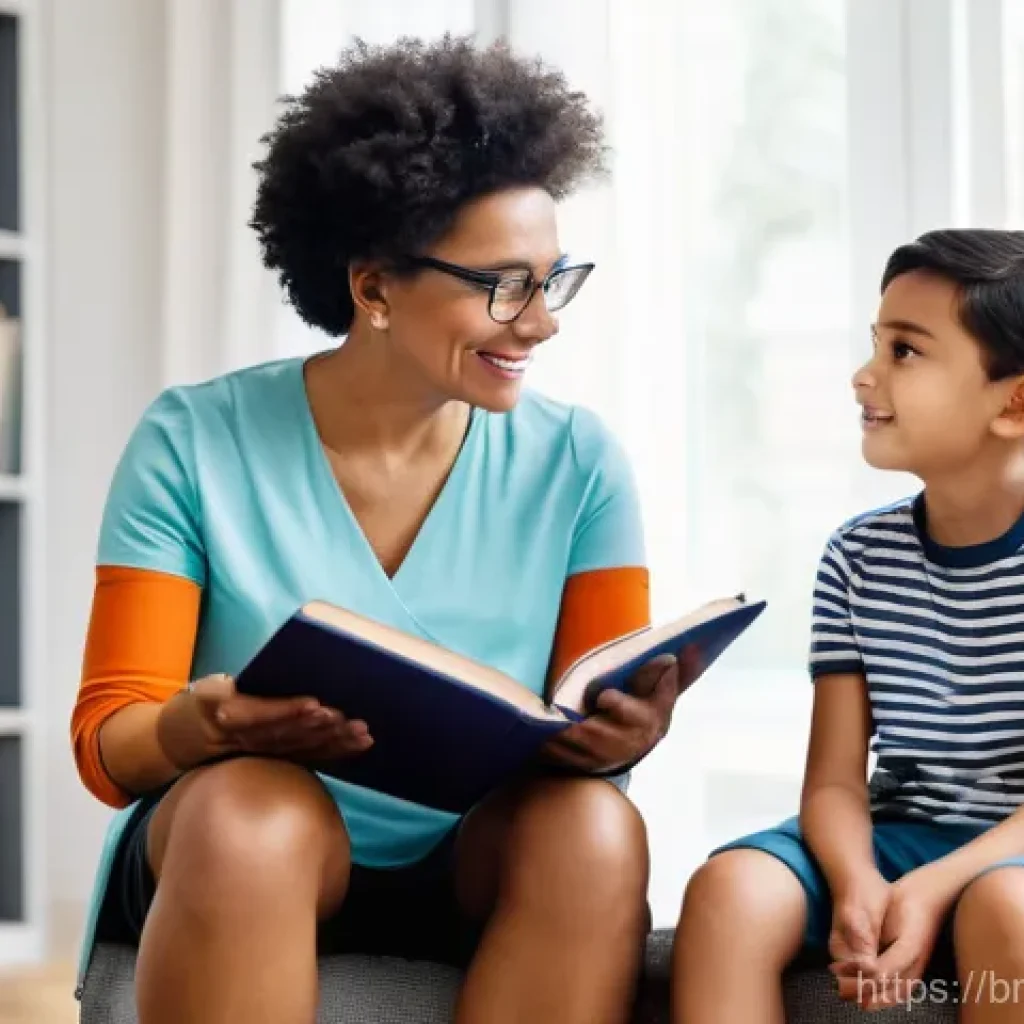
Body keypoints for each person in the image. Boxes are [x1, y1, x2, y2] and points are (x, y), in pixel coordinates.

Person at [70, 34, 693, 1024]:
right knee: (252, 808)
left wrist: (622, 732)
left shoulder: (581, 462)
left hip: (472, 857)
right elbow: (109, 743)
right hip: (241, 842)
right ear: (372, 288)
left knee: (592, 825)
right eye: (504, 285)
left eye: (554, 278)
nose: (540, 324)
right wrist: (208, 726)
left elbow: (587, 724)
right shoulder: (191, 442)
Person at [672, 229, 1024, 1024]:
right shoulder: (859, 556)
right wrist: (859, 878)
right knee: (729, 892)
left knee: (1007, 910)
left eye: (906, 352)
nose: (863, 376)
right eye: (875, 344)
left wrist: (933, 890)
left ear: (1014, 401)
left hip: (1012, 855)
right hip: (904, 829)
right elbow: (833, 780)